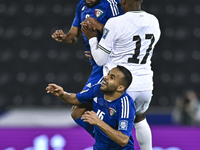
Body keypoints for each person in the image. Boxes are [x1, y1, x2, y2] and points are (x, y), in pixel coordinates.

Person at [81, 0, 161, 149]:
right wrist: (102, 29)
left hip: (121, 85)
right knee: (140, 119)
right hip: (145, 85)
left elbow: (100, 59)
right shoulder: (154, 20)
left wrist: (92, 38)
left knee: (80, 111)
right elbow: (130, 38)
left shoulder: (115, 22)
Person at [51, 0, 123, 136]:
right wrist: (64, 37)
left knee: (82, 109)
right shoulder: (81, 6)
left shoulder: (111, 4)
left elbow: (122, 36)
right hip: (96, 66)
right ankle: (108, 141)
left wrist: (98, 34)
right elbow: (73, 37)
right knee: (77, 112)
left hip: (111, 64)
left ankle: (112, 141)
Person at [46, 66, 136, 150]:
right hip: (100, 147)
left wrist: (98, 122)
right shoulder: (97, 89)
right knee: (78, 108)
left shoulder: (125, 104)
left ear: (120, 88)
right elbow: (75, 98)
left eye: (112, 77)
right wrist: (62, 94)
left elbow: (124, 140)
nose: (106, 77)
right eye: (108, 74)